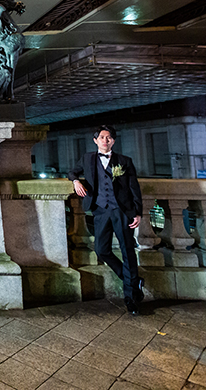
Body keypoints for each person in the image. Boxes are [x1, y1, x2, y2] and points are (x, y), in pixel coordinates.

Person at [68, 125, 144, 315]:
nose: (105, 140)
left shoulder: (125, 161)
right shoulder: (87, 158)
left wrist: (138, 212)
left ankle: (131, 298)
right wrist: (76, 181)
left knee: (127, 251)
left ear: (113, 141)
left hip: (122, 211)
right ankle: (132, 280)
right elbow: (72, 172)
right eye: (101, 137)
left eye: (109, 137)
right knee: (101, 250)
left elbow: (134, 188)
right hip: (100, 211)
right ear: (95, 140)